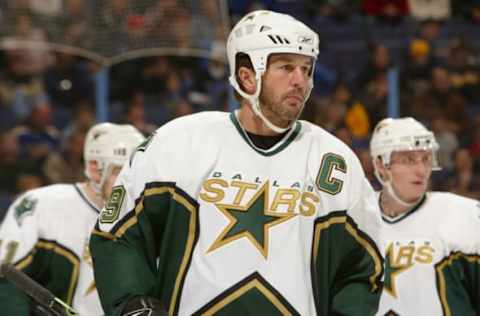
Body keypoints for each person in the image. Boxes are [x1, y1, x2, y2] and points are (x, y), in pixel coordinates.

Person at [90, 10, 384, 316]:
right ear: (247, 76)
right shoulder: (180, 142)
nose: (301, 81)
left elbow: (363, 268)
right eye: (286, 67)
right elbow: (118, 231)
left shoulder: (333, 161)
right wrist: (133, 304)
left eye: (306, 69)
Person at [0, 123, 145, 315]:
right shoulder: (40, 206)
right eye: (121, 173)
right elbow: (6, 283)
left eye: (138, 174)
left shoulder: (150, 220)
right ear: (95, 169)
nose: (131, 184)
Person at [369, 117, 480, 315]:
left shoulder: (463, 215)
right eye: (409, 160)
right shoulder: (357, 218)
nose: (421, 171)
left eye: (426, 159)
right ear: (380, 165)